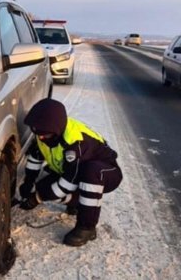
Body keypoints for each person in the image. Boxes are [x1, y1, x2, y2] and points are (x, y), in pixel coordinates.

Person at [19, 98, 122, 246]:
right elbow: (36, 156)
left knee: (90, 173)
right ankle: (77, 202)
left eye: (44, 135)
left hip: (106, 172)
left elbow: (68, 181)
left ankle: (87, 227)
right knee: (44, 186)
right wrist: (28, 184)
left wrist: (37, 197)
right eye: (37, 133)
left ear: (56, 130)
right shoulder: (45, 132)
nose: (40, 138)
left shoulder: (75, 143)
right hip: (76, 170)